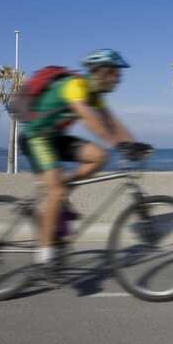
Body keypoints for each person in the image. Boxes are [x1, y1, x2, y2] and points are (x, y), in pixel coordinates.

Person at [19, 49, 151, 268]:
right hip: (36, 137)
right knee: (56, 191)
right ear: (103, 72)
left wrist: (134, 143)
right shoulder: (76, 85)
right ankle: (44, 258)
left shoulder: (95, 95)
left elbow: (111, 123)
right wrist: (119, 144)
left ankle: (61, 191)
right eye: (116, 74)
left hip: (54, 138)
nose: (119, 80)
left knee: (99, 156)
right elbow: (89, 119)